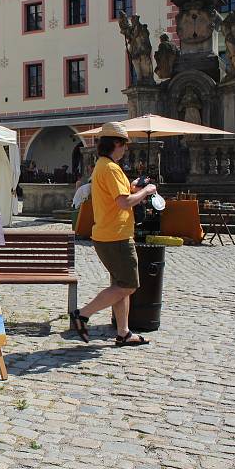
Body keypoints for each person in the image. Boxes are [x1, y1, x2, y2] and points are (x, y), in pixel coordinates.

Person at [70, 121, 156, 347]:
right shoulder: (111, 168)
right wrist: (146, 191)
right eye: (124, 145)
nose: (126, 149)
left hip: (107, 234)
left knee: (120, 286)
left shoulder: (102, 166)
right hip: (116, 236)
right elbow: (124, 202)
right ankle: (82, 314)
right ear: (116, 144)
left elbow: (118, 195)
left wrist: (133, 187)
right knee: (128, 285)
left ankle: (123, 332)